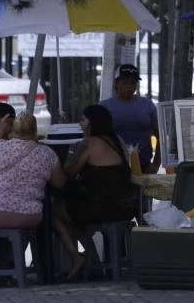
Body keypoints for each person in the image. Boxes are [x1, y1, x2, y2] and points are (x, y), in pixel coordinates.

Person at [0, 111, 65, 287]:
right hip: (29, 215)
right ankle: (15, 266)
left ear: (12, 130)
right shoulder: (47, 153)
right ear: (35, 131)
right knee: (22, 230)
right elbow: (59, 182)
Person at [53, 105, 136, 280]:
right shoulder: (116, 141)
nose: (81, 124)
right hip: (123, 207)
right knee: (75, 215)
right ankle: (93, 260)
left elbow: (68, 173)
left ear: (92, 123)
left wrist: (70, 150)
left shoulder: (89, 143)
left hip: (101, 207)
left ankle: (78, 258)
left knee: (55, 212)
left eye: (83, 120)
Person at [99, 64, 160, 174]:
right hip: (112, 167)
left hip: (144, 166)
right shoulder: (103, 107)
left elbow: (161, 137)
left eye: (133, 83)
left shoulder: (148, 105)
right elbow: (96, 139)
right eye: (125, 82)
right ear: (116, 83)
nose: (129, 86)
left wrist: (156, 164)